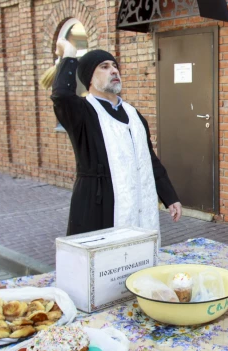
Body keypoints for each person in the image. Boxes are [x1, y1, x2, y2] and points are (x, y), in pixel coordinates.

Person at [52, 39, 182, 236]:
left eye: (115, 66)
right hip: (99, 206)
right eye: (104, 67)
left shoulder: (133, 115)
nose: (113, 71)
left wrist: (170, 196)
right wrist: (69, 55)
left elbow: (147, 158)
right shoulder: (82, 112)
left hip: (139, 206)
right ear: (89, 78)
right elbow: (61, 95)